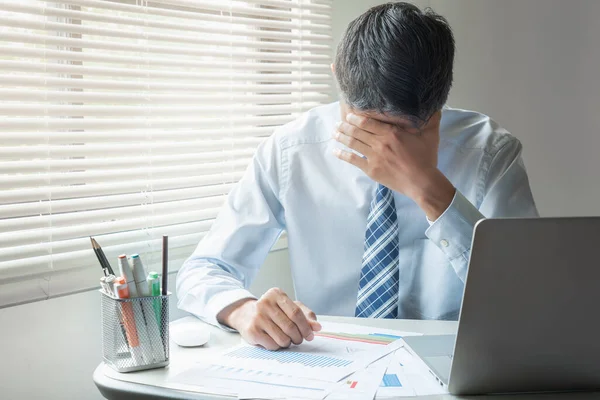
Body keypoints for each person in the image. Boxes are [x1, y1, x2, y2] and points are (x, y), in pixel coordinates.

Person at [176, 2, 538, 351]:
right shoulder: (291, 151)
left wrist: (430, 190)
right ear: (337, 76)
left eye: (403, 131)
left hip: (452, 365)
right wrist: (243, 310)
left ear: (439, 104)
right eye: (366, 124)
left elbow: (531, 295)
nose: (384, 145)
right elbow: (204, 269)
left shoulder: (489, 152)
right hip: (332, 365)